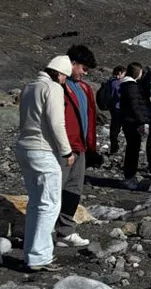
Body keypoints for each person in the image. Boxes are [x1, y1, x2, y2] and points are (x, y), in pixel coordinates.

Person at [15, 55, 75, 272]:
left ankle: (31, 253)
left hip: (24, 148)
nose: (64, 81)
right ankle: (40, 257)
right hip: (42, 150)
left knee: (35, 203)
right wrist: (66, 150)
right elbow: (57, 122)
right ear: (59, 73)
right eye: (64, 77)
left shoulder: (30, 87)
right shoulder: (53, 88)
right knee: (49, 204)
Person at [55, 45, 98, 248]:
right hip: (63, 146)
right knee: (54, 189)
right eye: (83, 68)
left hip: (79, 146)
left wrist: (91, 147)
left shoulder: (84, 88)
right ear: (72, 63)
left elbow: (89, 117)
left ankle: (64, 231)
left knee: (73, 189)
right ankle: (44, 232)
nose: (85, 72)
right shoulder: (58, 86)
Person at [119, 63, 151, 190]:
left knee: (132, 148)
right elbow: (135, 105)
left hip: (127, 120)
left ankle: (129, 176)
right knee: (133, 149)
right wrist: (142, 120)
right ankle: (129, 177)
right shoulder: (131, 86)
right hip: (132, 122)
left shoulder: (125, 85)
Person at [108, 65, 126, 155]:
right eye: (124, 74)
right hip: (118, 108)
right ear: (119, 73)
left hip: (114, 108)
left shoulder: (111, 82)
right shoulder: (116, 83)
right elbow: (120, 95)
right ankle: (114, 148)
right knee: (115, 130)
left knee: (114, 129)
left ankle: (114, 147)